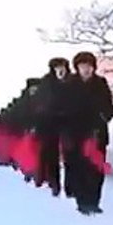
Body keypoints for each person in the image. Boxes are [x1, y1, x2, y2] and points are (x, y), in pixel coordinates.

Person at [70, 51, 113, 214]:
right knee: (80, 168)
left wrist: (104, 116)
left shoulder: (100, 84)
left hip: (97, 133)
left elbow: (110, 107)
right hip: (76, 134)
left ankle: (94, 201)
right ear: (77, 67)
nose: (86, 69)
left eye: (89, 66)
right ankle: (82, 201)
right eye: (82, 66)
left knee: (97, 169)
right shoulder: (70, 84)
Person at [33, 58, 74, 197]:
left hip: (69, 122)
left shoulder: (73, 82)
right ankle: (54, 184)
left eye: (62, 66)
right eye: (57, 67)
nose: (60, 69)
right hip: (49, 123)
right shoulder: (46, 83)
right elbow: (39, 104)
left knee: (70, 154)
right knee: (51, 156)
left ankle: (70, 186)